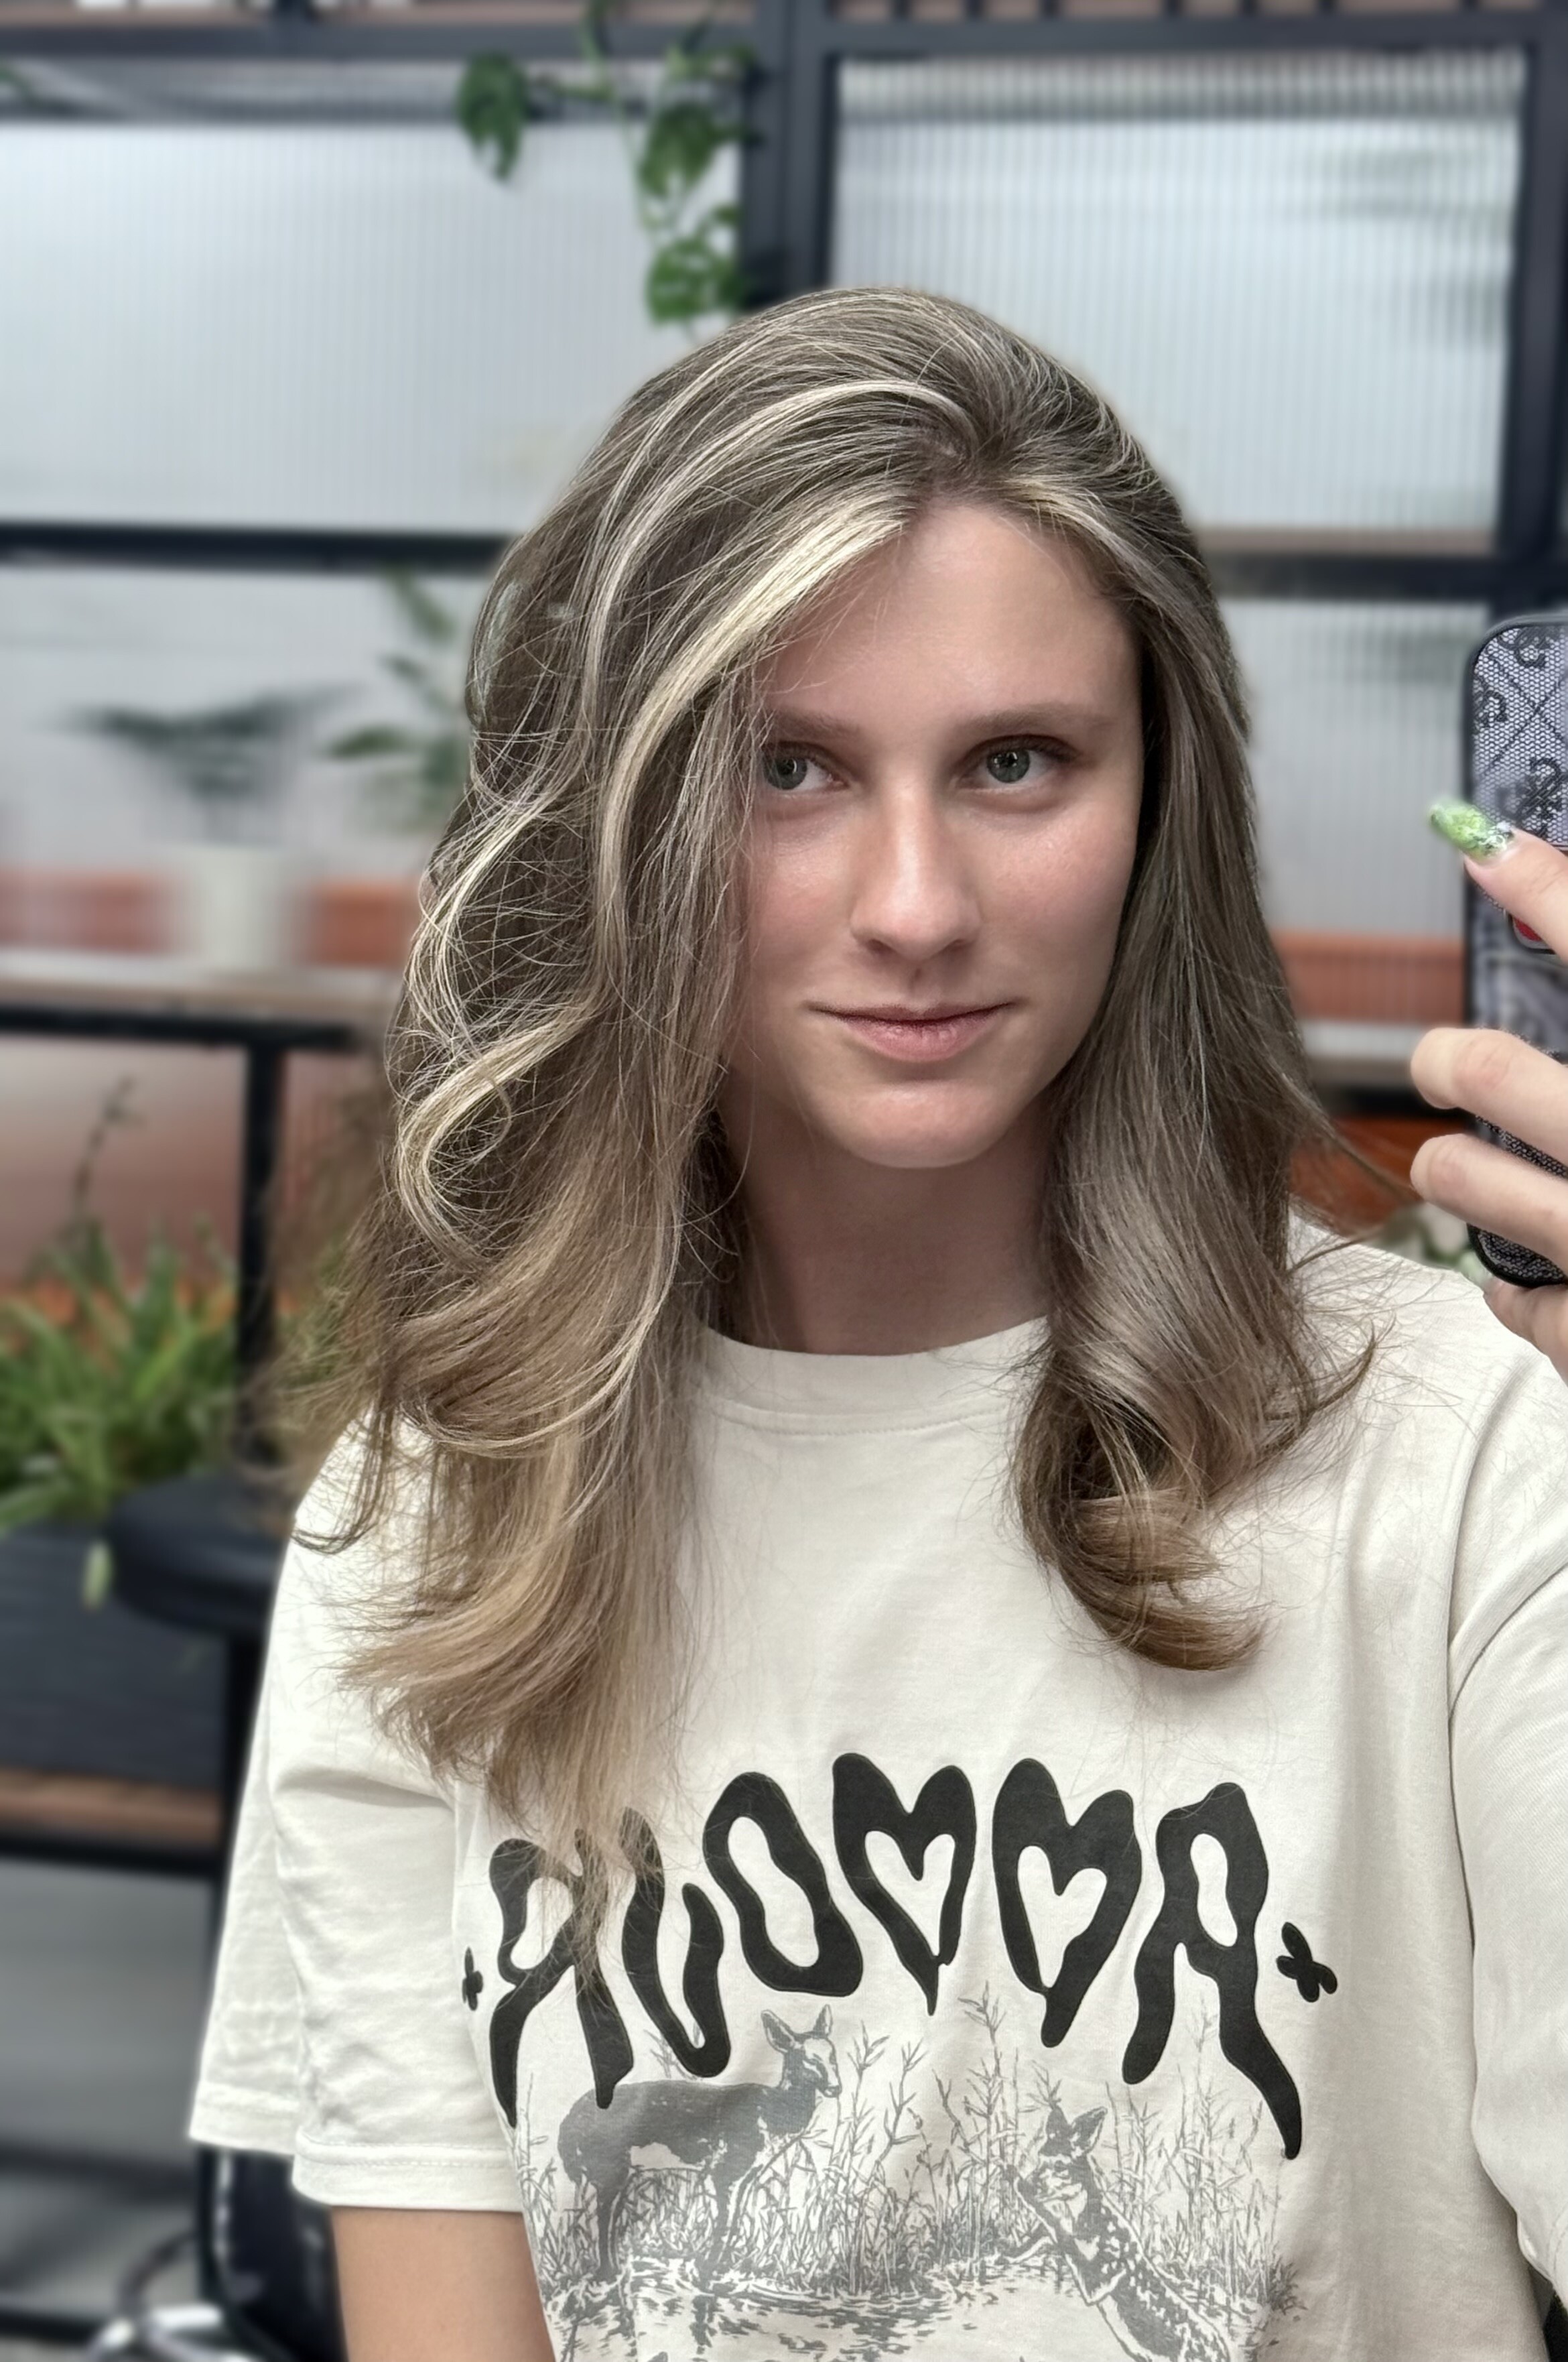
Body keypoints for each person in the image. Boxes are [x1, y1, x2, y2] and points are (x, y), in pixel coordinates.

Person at [189, 288, 1567, 2362]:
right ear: (620, 811)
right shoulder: (435, 1523)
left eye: (1016, 761)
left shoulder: (1451, 1450)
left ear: (1155, 801)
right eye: (789, 768)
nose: (915, 903)